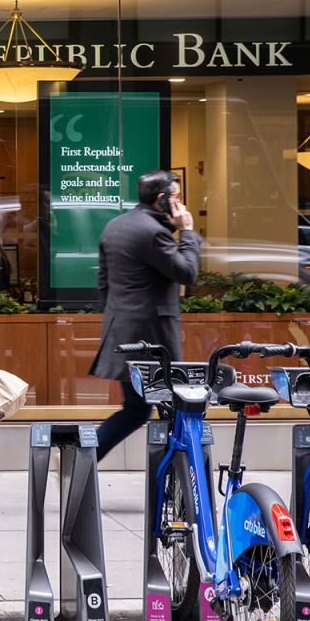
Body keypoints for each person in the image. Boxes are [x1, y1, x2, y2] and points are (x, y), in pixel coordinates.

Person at [90, 169, 201, 461]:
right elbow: (187, 273)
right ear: (162, 199)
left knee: (137, 410)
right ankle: (180, 480)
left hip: (123, 331)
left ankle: (83, 458)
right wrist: (187, 231)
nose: (181, 203)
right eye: (177, 197)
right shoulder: (153, 233)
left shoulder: (115, 226)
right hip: (151, 338)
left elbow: (104, 284)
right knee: (171, 409)